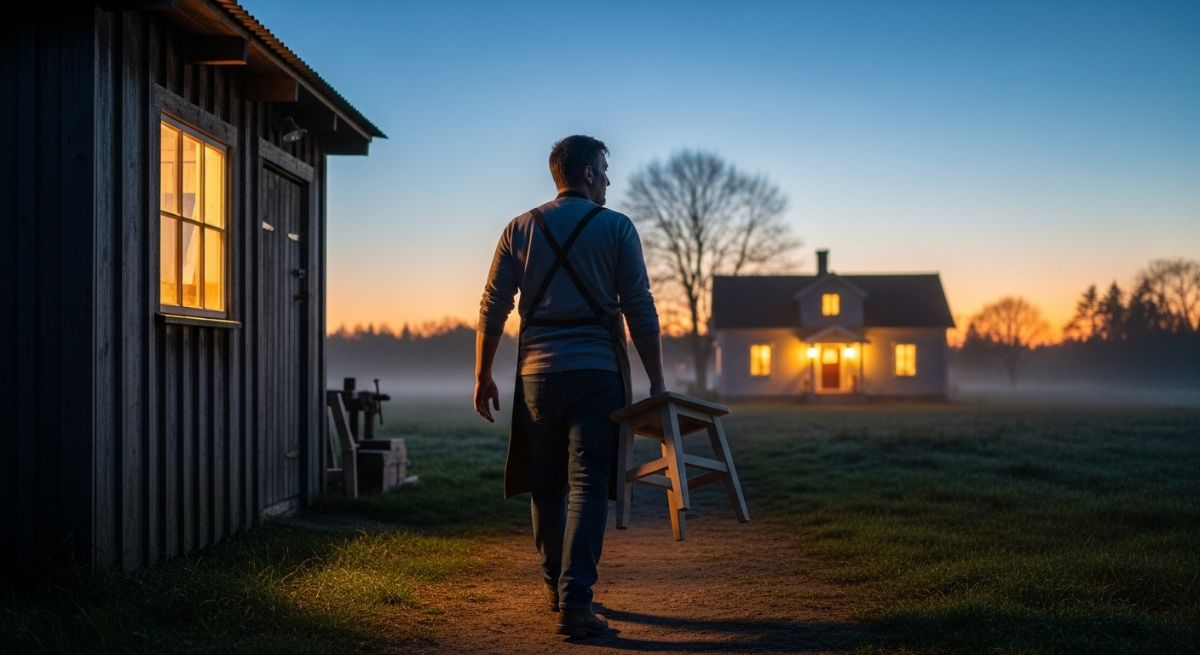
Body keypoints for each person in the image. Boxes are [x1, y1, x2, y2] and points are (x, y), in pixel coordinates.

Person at [473, 135, 666, 637]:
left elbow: (493, 305)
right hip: (598, 375)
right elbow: (639, 308)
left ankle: (554, 590)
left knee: (547, 485)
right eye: (604, 168)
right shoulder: (617, 228)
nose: (608, 178)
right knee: (586, 485)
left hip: (537, 375)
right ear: (585, 173)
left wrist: (482, 374)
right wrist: (658, 380)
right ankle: (577, 602)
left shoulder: (520, 228)